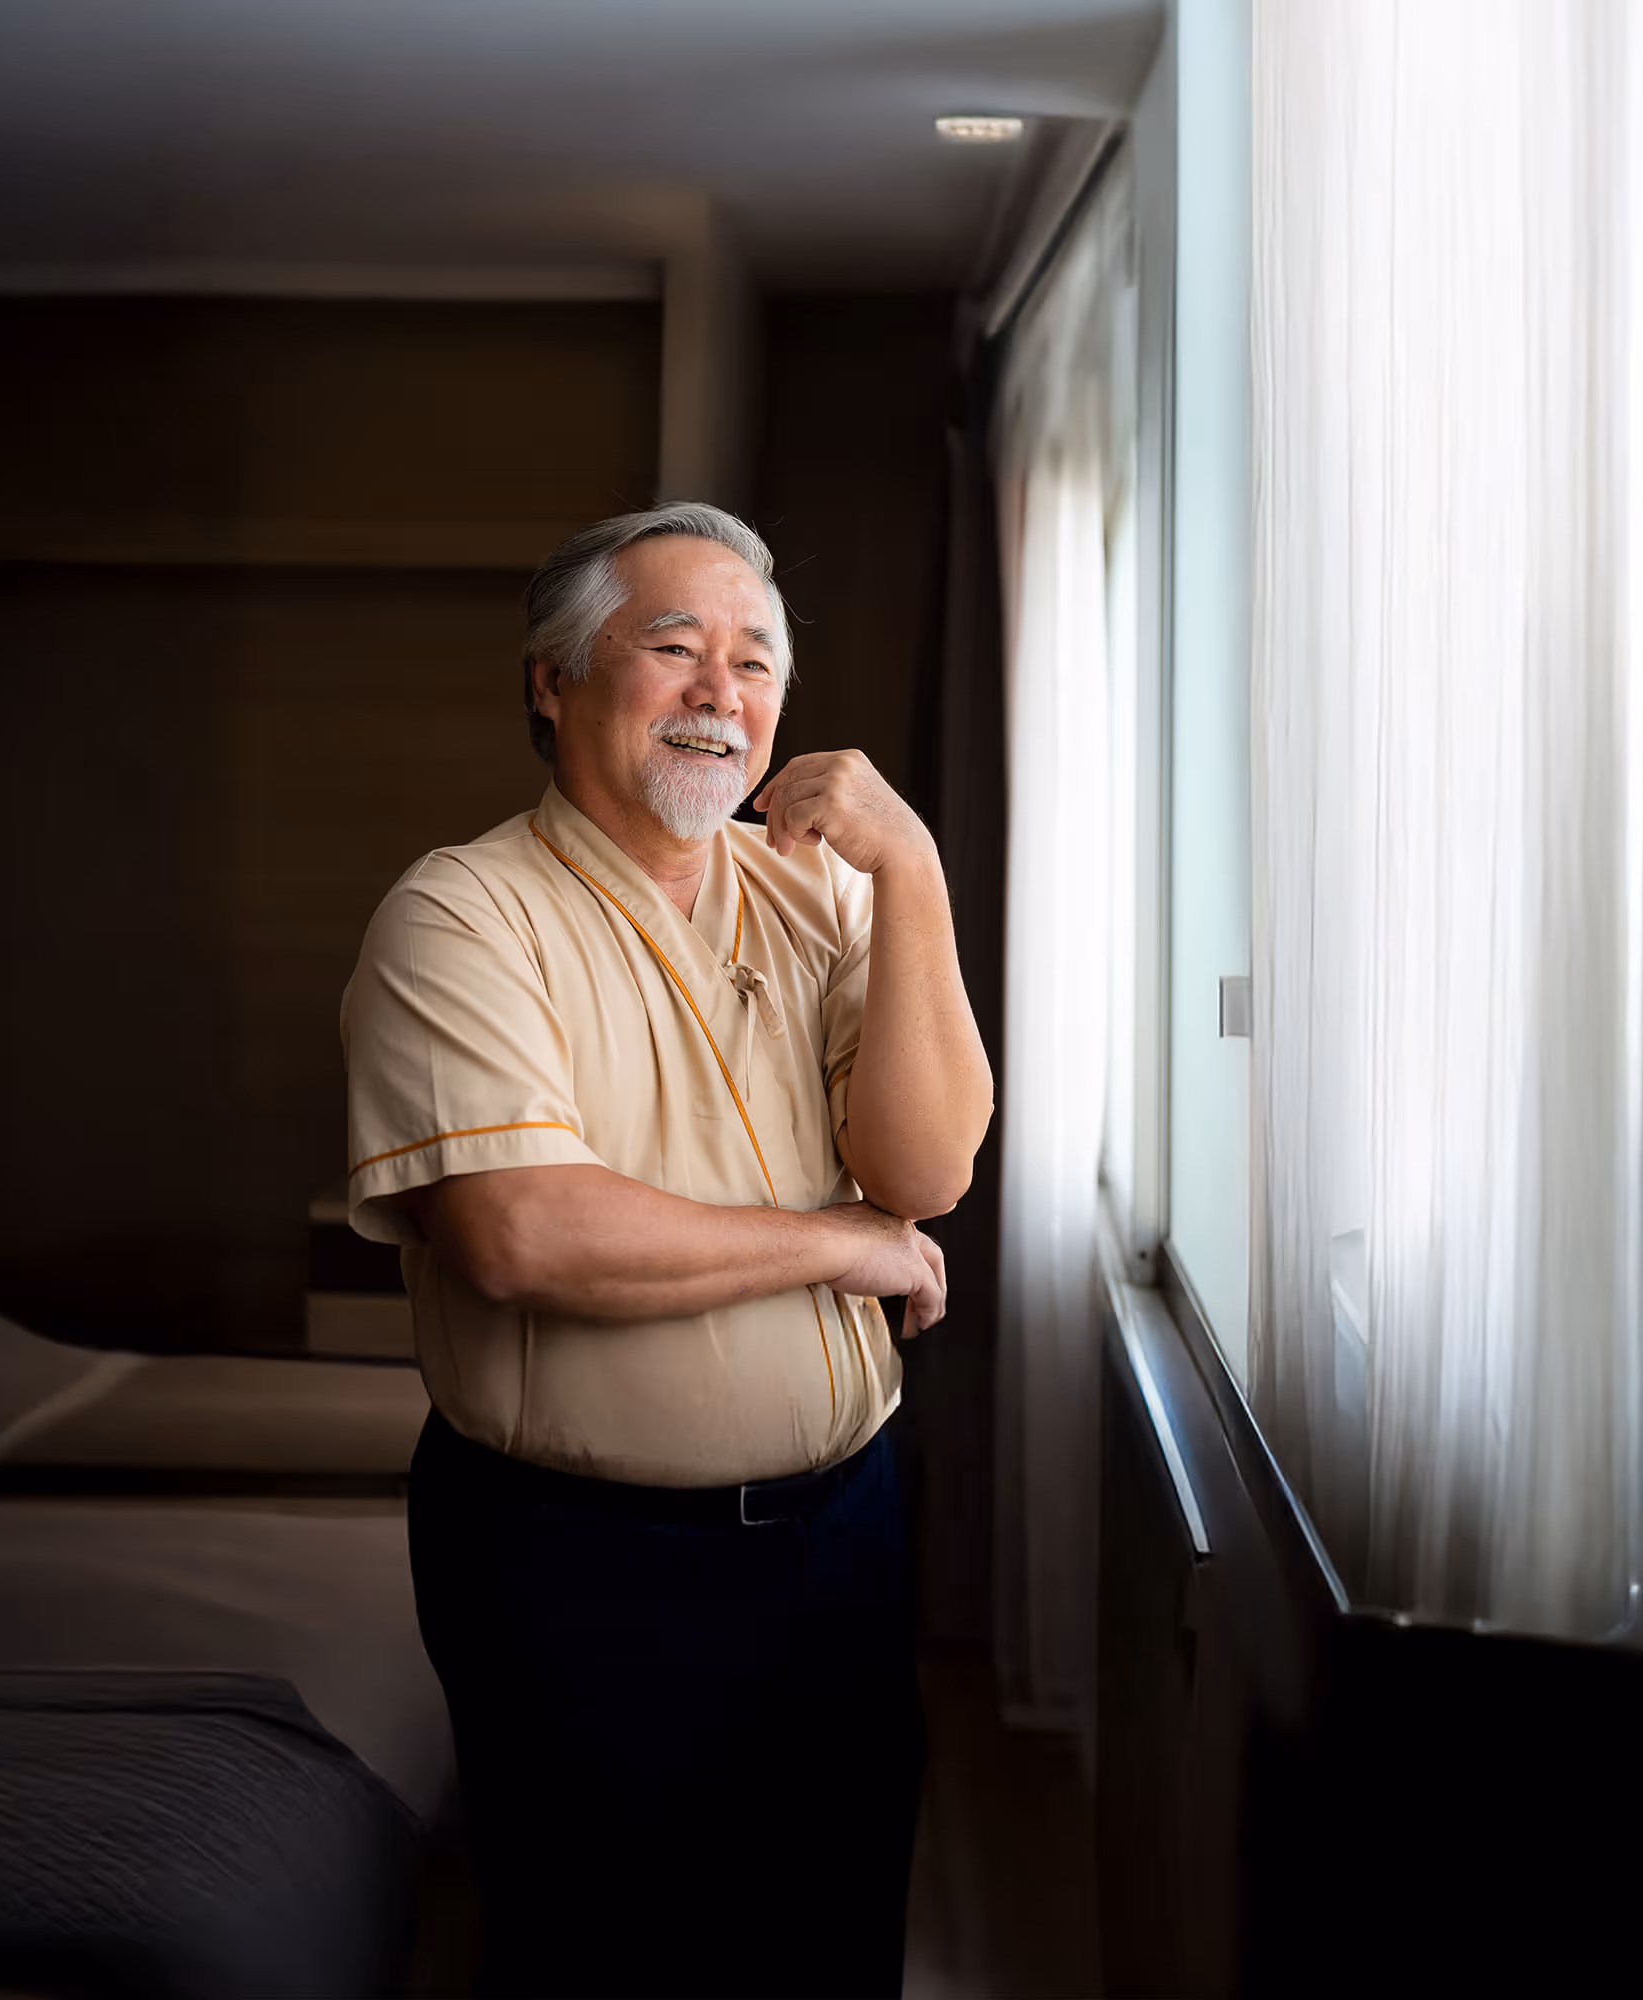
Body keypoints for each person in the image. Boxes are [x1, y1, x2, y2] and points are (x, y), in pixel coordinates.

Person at [340, 501, 993, 1998]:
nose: (722, 696)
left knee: (832, 1936)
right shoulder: (461, 915)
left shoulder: (824, 889)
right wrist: (839, 1247)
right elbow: (519, 1234)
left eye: (755, 662)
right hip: (576, 1560)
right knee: (606, 1951)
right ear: (552, 681)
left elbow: (925, 1169)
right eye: (673, 650)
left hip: (843, 1533)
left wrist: (918, 879)